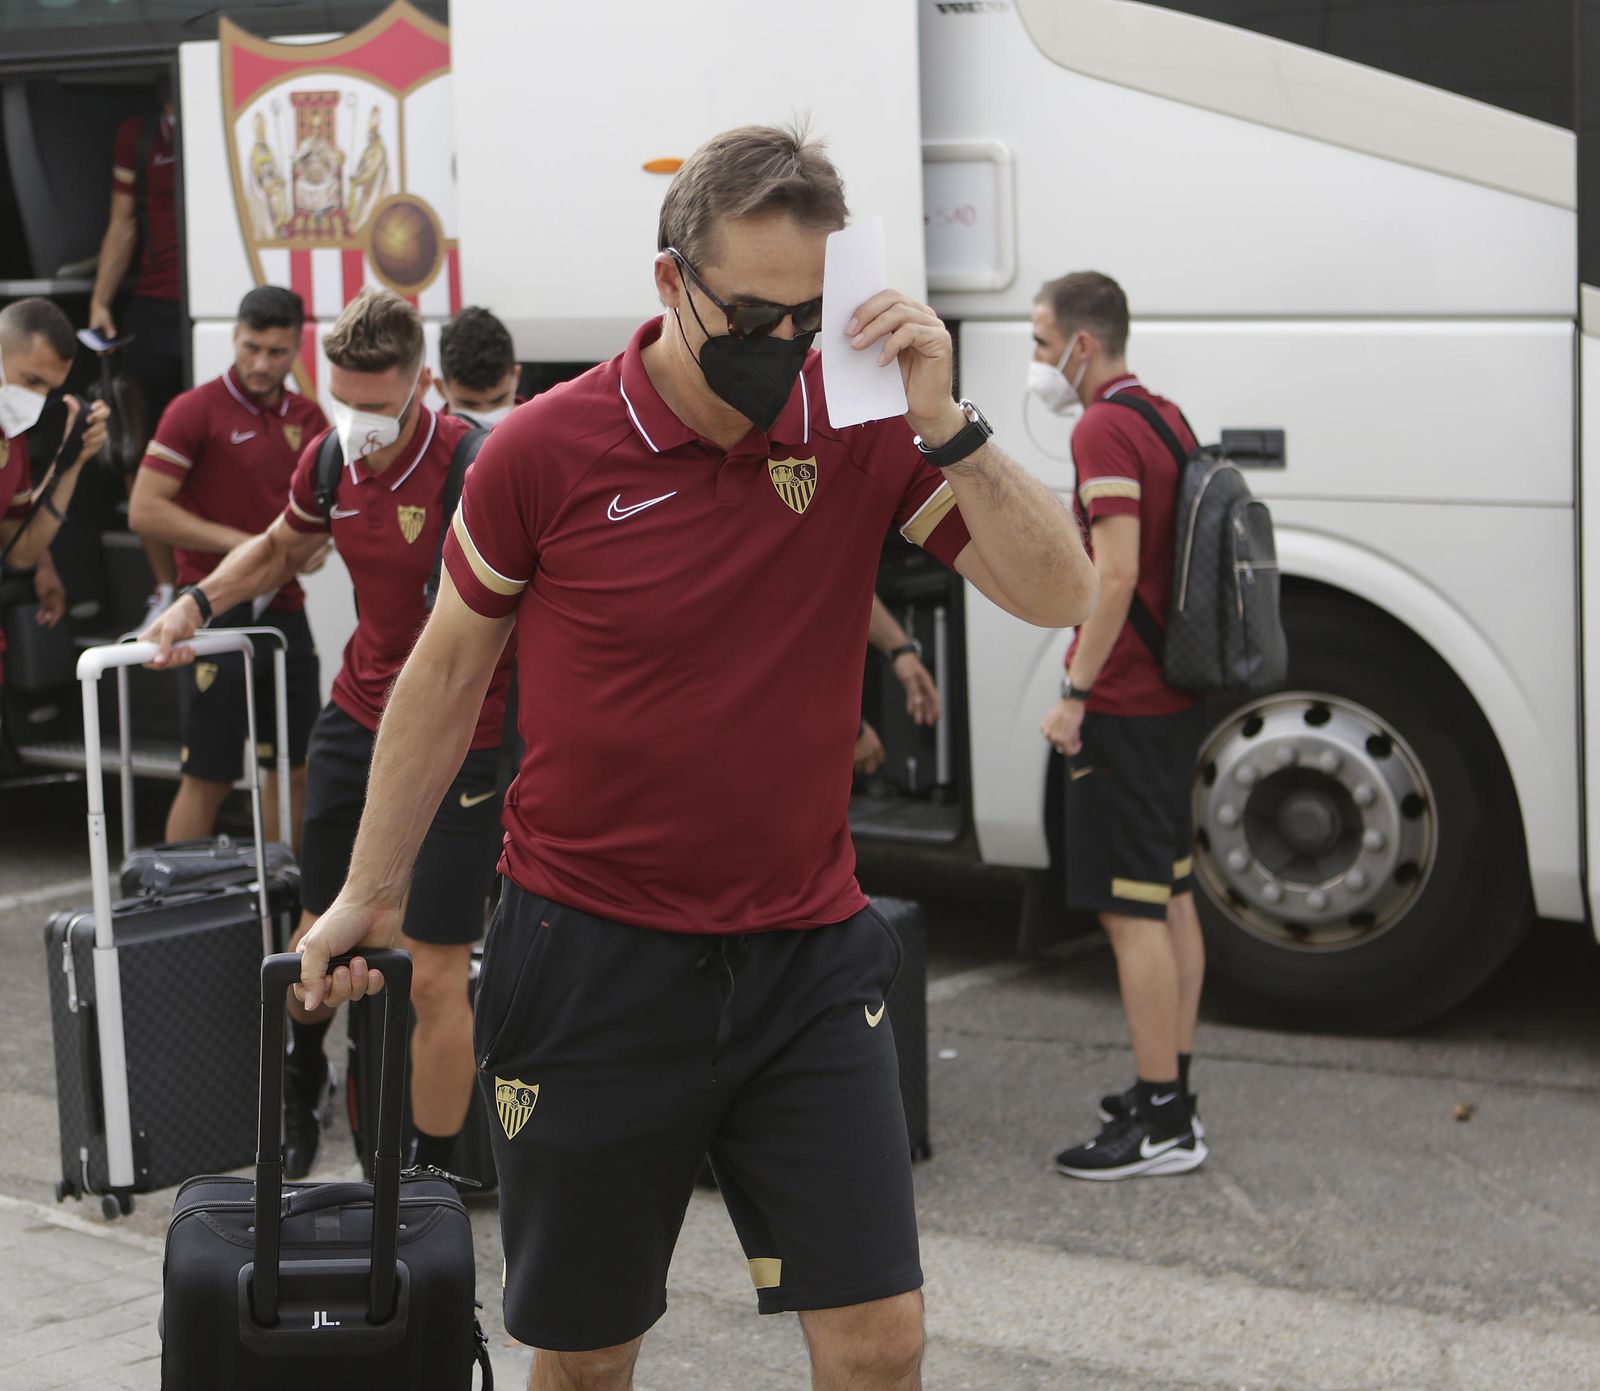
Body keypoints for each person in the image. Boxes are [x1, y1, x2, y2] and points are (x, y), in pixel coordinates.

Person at [289, 123, 1096, 1389]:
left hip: (806, 958)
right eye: (757, 316)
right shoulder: (542, 453)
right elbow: (444, 676)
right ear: (671, 282)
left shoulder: (864, 423)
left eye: (812, 317)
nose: (787, 347)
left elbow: (1061, 591)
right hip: (592, 957)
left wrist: (950, 422)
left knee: (883, 1344)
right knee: (592, 1356)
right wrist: (367, 891)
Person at [142, 287, 512, 1181]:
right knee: (317, 936)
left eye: (377, 405)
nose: (359, 421)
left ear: (422, 383)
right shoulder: (330, 459)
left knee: (430, 974)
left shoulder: (476, 464)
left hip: (467, 731)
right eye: (344, 399)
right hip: (357, 715)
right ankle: (302, 1097)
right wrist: (193, 603)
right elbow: (275, 549)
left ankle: (432, 1182)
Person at [1034, 271, 1209, 1181]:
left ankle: (1161, 1129)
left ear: (1082, 345)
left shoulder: (1101, 425)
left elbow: (1115, 572)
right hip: (1174, 696)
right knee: (1171, 893)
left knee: (1129, 911)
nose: (1038, 361)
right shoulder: (1165, 415)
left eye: (1040, 342)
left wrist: (1076, 688)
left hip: (1128, 701)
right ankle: (1168, 1094)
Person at [128, 287, 326, 847]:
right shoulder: (195, 409)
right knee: (209, 778)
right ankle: (177, 914)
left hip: (285, 615)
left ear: (296, 349)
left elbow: (318, 527)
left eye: (277, 352)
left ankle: (279, 905)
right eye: (251, 347)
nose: (261, 364)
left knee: (293, 770)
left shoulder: (309, 419)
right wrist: (252, 547)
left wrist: (313, 550)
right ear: (234, 339)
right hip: (210, 611)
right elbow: (146, 509)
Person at [88, 81, 183, 622]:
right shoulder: (139, 133)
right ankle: (165, 586)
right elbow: (122, 221)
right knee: (134, 445)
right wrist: (101, 300)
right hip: (150, 308)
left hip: (212, 301)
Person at [0, 299, 110, 697]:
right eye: (31, 381)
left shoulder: (13, 439)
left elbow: (20, 551)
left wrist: (72, 461)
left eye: (49, 388)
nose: (38, 397)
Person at [437, 305, 522, 428]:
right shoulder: (429, 444)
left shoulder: (543, 431)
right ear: (441, 388)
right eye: (469, 405)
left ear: (517, 376)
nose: (486, 416)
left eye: (498, 401)